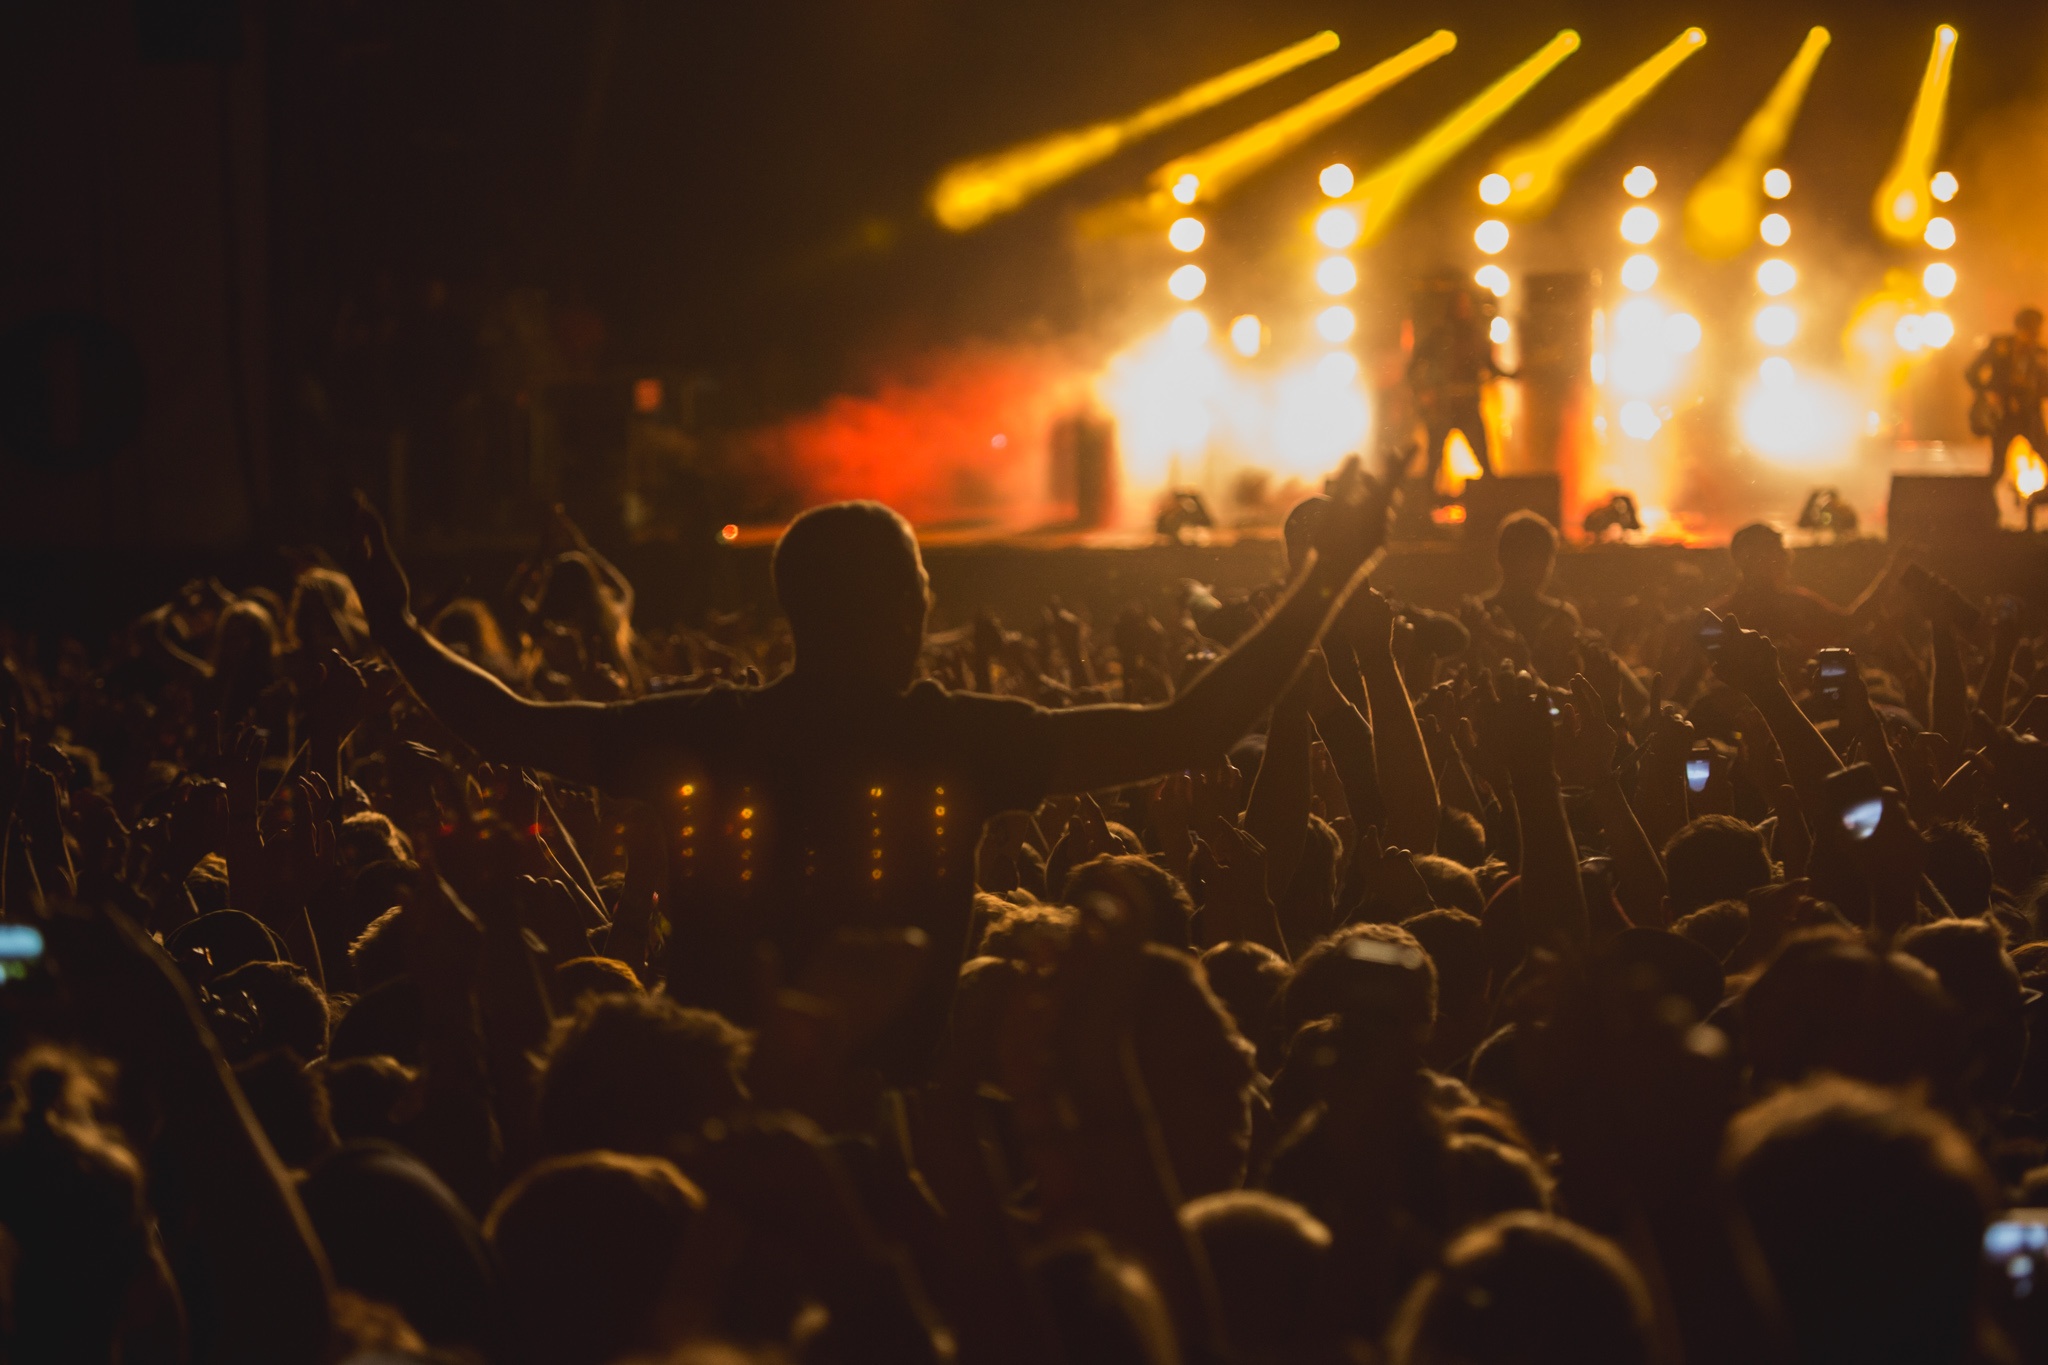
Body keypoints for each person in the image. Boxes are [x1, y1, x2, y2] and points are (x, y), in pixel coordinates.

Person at [342, 470, 1393, 1073]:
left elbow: (514, 727)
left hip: (715, 1109)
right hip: (891, 1118)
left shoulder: (714, 731)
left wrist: (392, 625)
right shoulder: (957, 740)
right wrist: (1326, 579)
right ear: (904, 607)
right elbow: (1189, 730)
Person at [1707, 522, 1890, 663]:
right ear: (1756, 559)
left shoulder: (1717, 615)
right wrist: (1893, 570)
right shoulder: (1796, 604)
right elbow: (1850, 622)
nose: (1786, 556)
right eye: (1778, 550)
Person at [1409, 285, 1511, 489]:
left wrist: (1513, 374)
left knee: (1484, 459)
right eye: (1459, 304)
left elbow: (1490, 366)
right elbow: (1414, 366)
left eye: (1465, 304)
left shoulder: (1475, 336)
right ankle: (1427, 507)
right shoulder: (1438, 336)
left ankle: (1490, 502)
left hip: (1468, 406)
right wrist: (1424, 393)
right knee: (1434, 461)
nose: (1463, 309)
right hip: (1443, 406)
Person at [1965, 306, 2048, 481]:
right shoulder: (1999, 346)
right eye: (2030, 330)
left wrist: (2034, 393)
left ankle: (2038, 498)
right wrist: (1987, 392)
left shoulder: (2041, 355)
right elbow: (1971, 372)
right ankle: (1986, 503)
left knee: (2045, 453)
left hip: (2029, 416)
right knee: (1997, 467)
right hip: (2003, 415)